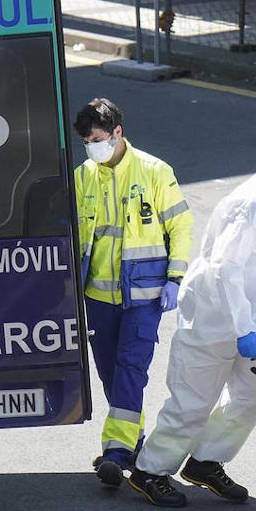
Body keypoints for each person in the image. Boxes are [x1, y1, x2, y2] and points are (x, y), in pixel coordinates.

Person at [128, 129, 256, 507]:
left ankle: (206, 461)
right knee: (193, 400)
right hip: (214, 316)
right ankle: (150, 470)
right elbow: (226, 270)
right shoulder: (252, 204)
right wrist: (243, 328)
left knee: (253, 392)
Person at [73, 98, 193, 488]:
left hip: (144, 294)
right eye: (87, 142)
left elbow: (181, 226)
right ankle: (134, 439)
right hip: (97, 296)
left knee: (131, 367)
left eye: (98, 138)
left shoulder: (154, 171)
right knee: (110, 373)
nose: (93, 147)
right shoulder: (84, 175)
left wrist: (175, 278)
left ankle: (116, 450)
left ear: (118, 132)